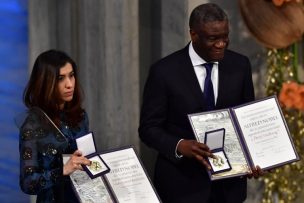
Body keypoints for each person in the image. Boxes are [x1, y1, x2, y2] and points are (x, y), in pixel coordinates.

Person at [139, 3, 262, 203]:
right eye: (213, 38)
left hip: (229, 189)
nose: (221, 44)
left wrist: (253, 159)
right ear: (193, 35)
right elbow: (148, 128)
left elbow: (245, 121)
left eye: (225, 37)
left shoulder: (240, 65)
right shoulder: (164, 72)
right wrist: (179, 145)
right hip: (181, 187)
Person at [19, 50, 91, 202]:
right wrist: (63, 170)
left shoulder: (80, 117)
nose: (69, 84)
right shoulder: (32, 126)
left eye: (71, 76)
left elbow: (87, 158)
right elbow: (27, 183)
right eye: (60, 78)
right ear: (45, 82)